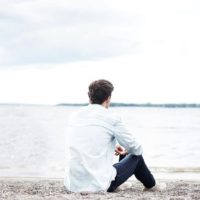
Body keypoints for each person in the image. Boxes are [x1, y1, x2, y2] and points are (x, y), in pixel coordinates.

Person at [64, 79, 165, 193]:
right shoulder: (111, 118)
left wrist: (111, 145)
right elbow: (136, 148)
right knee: (136, 156)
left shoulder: (74, 116)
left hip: (73, 184)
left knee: (126, 150)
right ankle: (152, 186)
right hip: (98, 185)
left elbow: (86, 141)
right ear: (108, 99)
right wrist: (128, 149)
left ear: (89, 97)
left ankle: (118, 183)